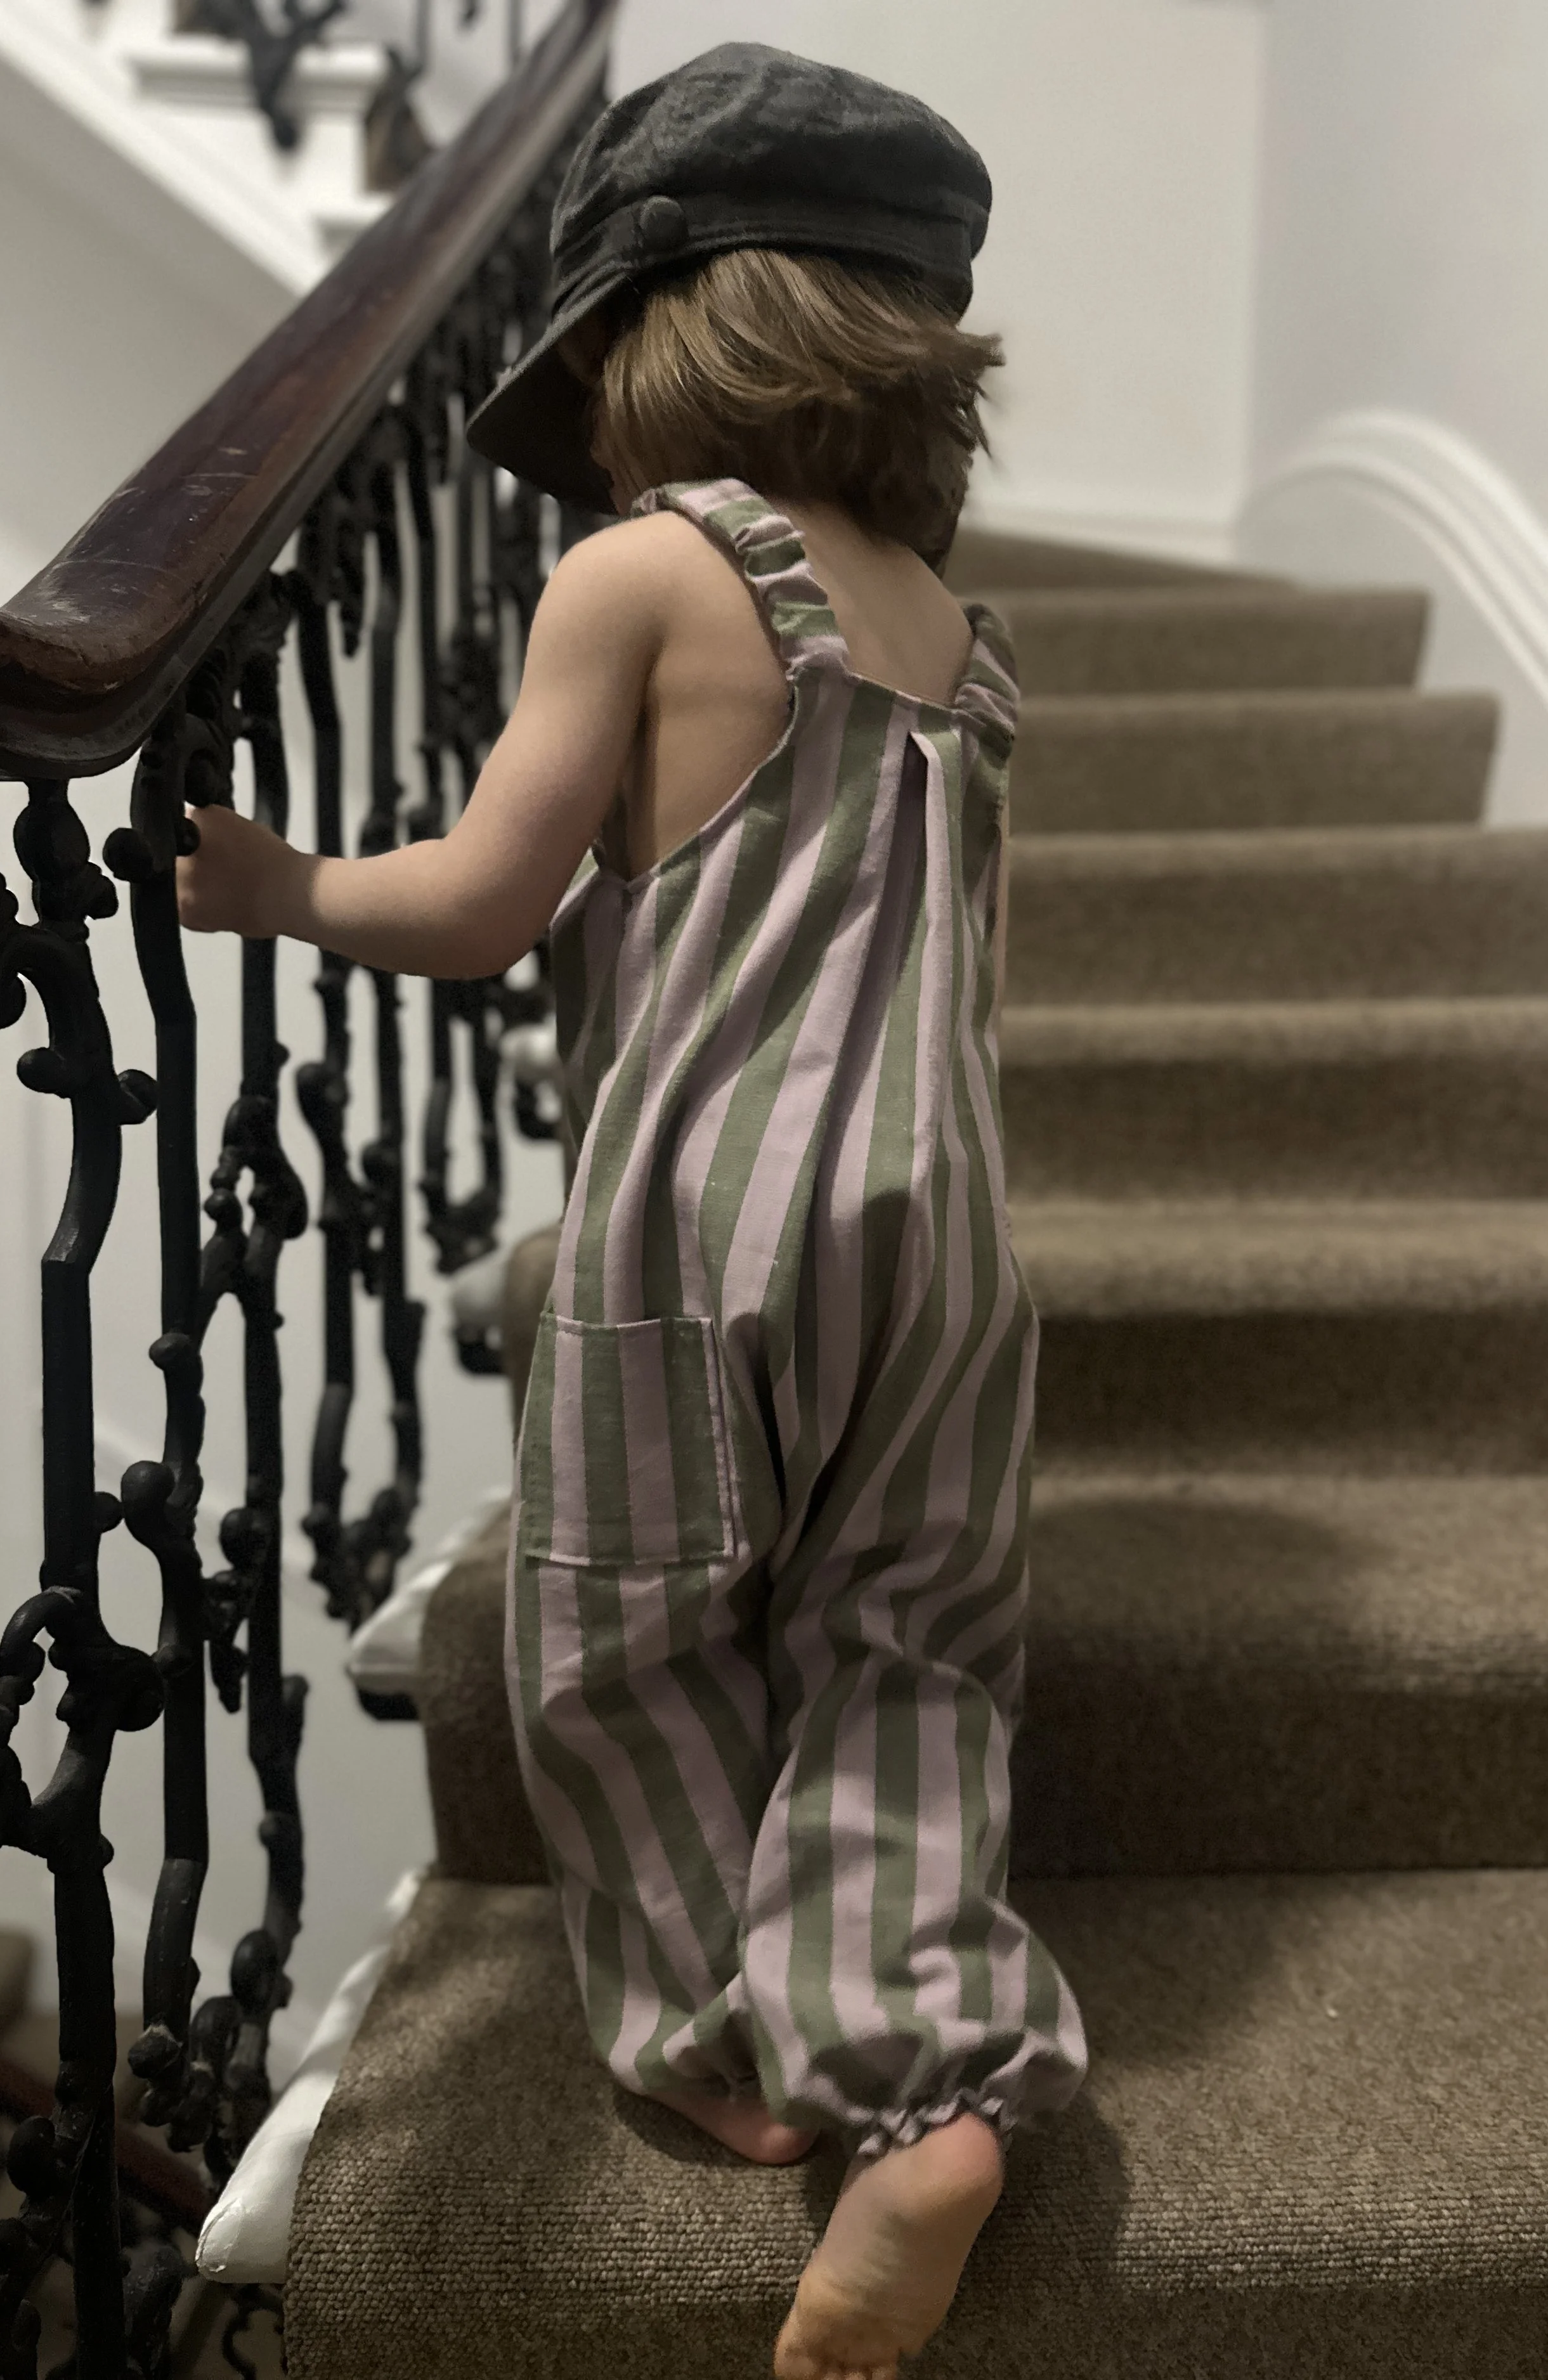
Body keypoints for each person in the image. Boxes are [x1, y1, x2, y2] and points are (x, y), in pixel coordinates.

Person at [178, 43, 1086, 2379]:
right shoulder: (949, 637)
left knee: (627, 1630)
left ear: (662, 336)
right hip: (942, 1231)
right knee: (904, 1648)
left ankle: (724, 2036)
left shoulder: (648, 572)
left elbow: (488, 903)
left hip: (702, 1212)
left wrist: (282, 885)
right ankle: (930, 2075)